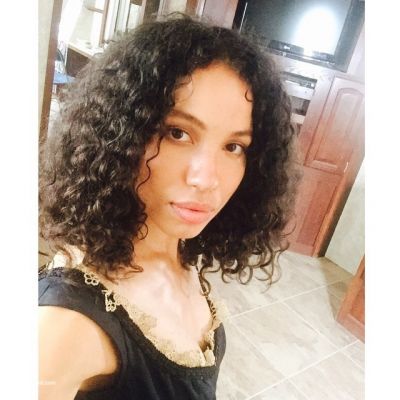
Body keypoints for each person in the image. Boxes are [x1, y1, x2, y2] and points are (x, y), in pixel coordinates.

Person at [39, 15, 298, 400]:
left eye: (233, 147)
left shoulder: (176, 249)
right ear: (121, 136)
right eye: (178, 133)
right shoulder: (66, 324)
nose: (206, 178)